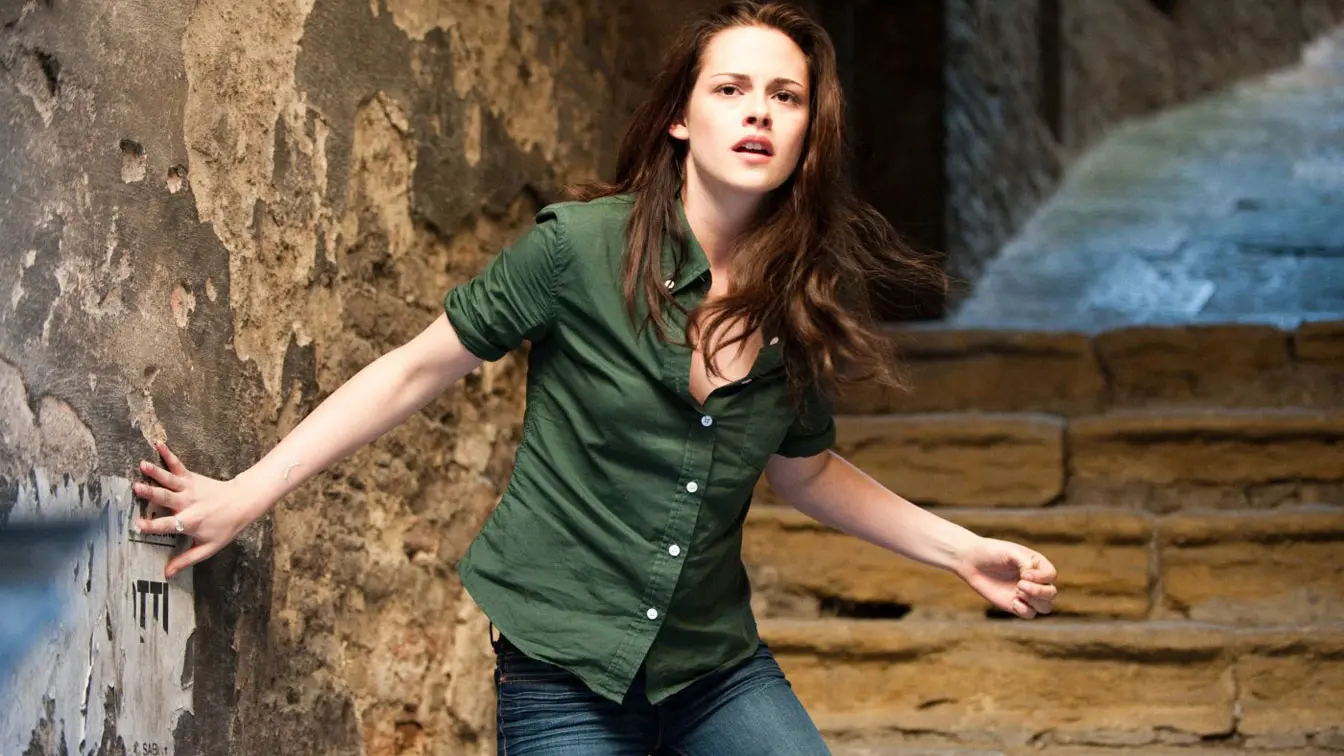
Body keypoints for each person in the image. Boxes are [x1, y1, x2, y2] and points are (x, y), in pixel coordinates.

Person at [133, 2, 1059, 753]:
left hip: (711, 667)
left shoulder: (799, 303)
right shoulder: (579, 249)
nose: (759, 112)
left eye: (786, 96)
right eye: (731, 88)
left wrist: (960, 550)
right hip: (561, 665)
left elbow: (805, 471)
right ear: (680, 118)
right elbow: (414, 371)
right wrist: (246, 495)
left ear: (808, 131)